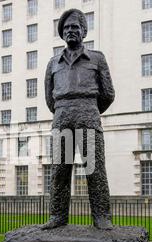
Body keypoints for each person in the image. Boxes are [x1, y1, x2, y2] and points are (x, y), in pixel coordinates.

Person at [42, 9, 115, 230]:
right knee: (59, 170)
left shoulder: (97, 58)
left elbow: (108, 94)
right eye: (67, 28)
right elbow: (49, 97)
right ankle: (57, 216)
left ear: (84, 31)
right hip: (62, 116)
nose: (71, 31)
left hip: (88, 115)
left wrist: (89, 108)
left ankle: (101, 216)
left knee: (94, 169)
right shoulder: (53, 63)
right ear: (62, 34)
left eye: (75, 27)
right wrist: (64, 109)